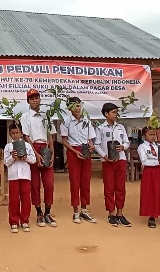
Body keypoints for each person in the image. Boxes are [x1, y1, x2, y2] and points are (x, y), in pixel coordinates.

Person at [20, 88, 57, 228]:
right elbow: (26, 136)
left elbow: (50, 135)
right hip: (33, 148)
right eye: (32, 98)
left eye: (37, 97)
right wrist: (36, 153)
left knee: (49, 184)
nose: (35, 100)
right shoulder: (25, 117)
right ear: (28, 101)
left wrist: (52, 153)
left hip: (46, 148)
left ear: (40, 99)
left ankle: (48, 212)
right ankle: (39, 212)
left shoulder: (46, 116)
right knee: (35, 184)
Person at [60, 96, 97, 224]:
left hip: (85, 150)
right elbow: (63, 141)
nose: (77, 108)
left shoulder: (86, 120)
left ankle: (84, 209)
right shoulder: (66, 121)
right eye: (75, 106)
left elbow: (90, 138)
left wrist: (92, 146)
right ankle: (75, 211)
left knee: (86, 180)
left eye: (79, 105)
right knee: (75, 181)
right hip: (73, 152)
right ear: (69, 108)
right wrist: (75, 151)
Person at [94, 102, 131, 227]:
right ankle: (111, 213)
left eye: (116, 112)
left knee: (120, 188)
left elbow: (127, 142)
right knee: (109, 188)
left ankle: (120, 213)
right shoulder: (100, 128)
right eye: (113, 112)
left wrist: (123, 147)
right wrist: (104, 156)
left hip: (121, 160)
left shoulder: (120, 127)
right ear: (106, 114)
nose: (115, 114)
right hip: (107, 161)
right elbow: (97, 145)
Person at [138, 127, 160, 229]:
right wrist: (157, 162)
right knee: (151, 193)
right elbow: (144, 161)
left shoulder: (159, 146)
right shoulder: (142, 147)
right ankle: (152, 216)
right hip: (149, 172)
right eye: (150, 134)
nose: (153, 136)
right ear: (144, 136)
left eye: (154, 134)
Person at [4, 123, 37, 233]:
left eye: (17, 132)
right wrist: (13, 157)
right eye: (12, 133)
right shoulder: (8, 147)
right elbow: (6, 162)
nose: (15, 135)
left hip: (25, 175)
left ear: (21, 133)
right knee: (14, 199)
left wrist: (25, 157)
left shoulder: (27, 146)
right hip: (13, 176)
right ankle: (14, 221)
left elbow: (33, 160)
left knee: (26, 198)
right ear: (9, 134)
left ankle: (24, 220)